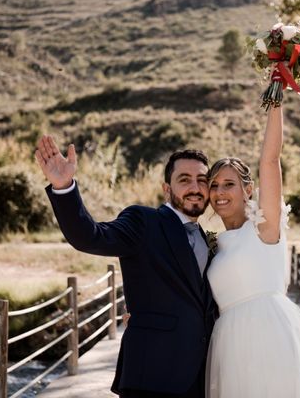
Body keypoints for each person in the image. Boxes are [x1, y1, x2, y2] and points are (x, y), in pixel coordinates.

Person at [35, 137, 217, 398]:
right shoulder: (143, 221)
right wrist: (64, 187)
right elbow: (91, 236)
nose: (195, 187)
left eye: (202, 180)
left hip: (198, 379)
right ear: (167, 189)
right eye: (184, 179)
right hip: (152, 375)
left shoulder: (207, 238)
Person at [204, 104, 300, 397]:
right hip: (229, 346)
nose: (220, 192)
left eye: (229, 184)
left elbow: (270, 159)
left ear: (248, 190)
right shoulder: (213, 245)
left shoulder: (265, 227)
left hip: (271, 336)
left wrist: (276, 98)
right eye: (214, 185)